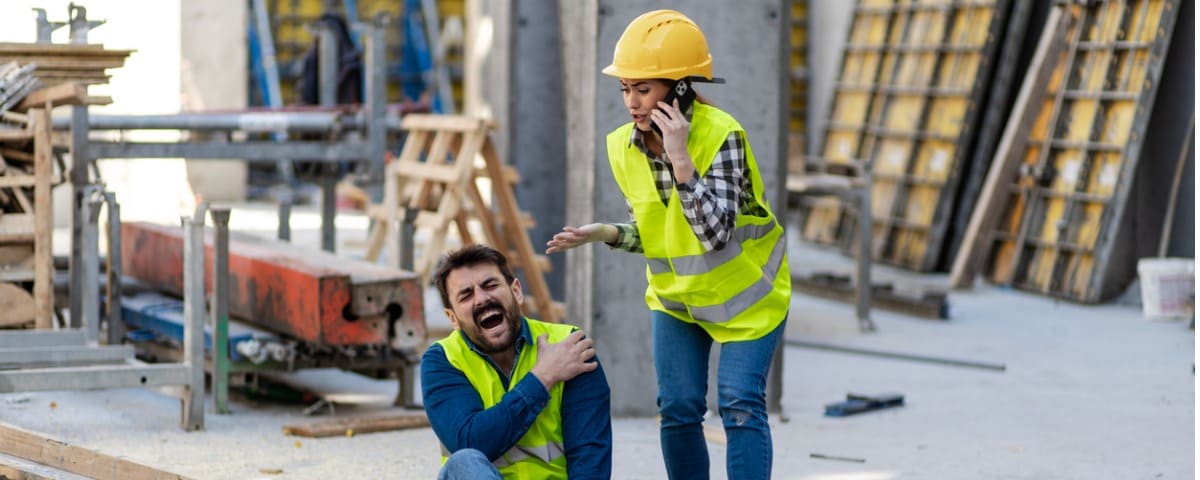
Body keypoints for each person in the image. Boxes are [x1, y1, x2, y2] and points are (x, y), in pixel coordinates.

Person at [545, 9, 790, 480]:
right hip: (678, 300)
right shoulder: (622, 146)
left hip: (748, 300)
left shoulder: (722, 136)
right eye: (625, 89)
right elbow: (658, 231)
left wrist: (681, 159)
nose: (631, 102)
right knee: (677, 409)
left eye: (643, 89)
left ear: (677, 89)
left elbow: (714, 235)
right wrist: (605, 233)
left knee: (739, 405)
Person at [422, 244, 612, 480]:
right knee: (464, 461)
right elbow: (470, 440)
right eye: (466, 295)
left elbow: (590, 458)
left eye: (490, 285)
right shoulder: (443, 359)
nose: (481, 299)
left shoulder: (569, 346)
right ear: (453, 318)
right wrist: (543, 377)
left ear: (517, 291)